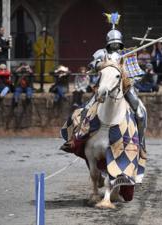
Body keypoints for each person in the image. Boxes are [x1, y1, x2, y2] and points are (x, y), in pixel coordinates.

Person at [60, 13, 147, 157]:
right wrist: (102, 64)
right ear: (108, 42)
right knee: (84, 110)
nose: (114, 45)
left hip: (124, 89)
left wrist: (130, 80)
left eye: (117, 42)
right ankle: (73, 139)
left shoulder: (126, 55)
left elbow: (136, 74)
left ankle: (141, 144)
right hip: (104, 87)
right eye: (112, 42)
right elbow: (92, 65)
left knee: (140, 112)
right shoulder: (101, 53)